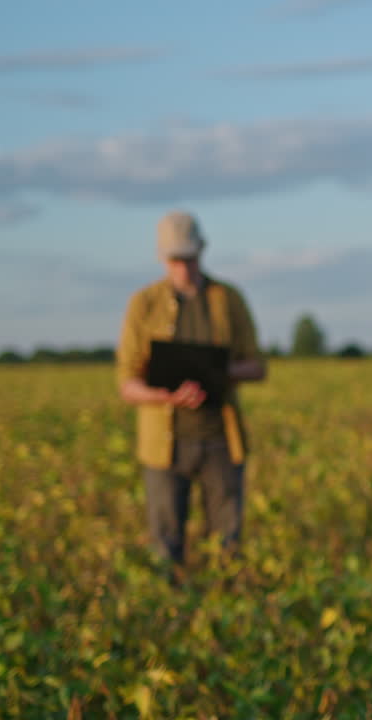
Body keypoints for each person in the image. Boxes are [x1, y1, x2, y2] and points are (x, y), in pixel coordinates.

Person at [117, 210, 267, 569]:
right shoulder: (144, 303)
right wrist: (165, 395)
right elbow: (127, 384)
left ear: (201, 252)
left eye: (189, 258)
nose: (183, 267)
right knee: (165, 543)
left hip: (220, 439)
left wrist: (216, 373)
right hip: (165, 445)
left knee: (228, 540)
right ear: (163, 259)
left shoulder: (227, 299)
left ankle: (226, 604)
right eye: (175, 260)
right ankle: (172, 613)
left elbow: (257, 365)